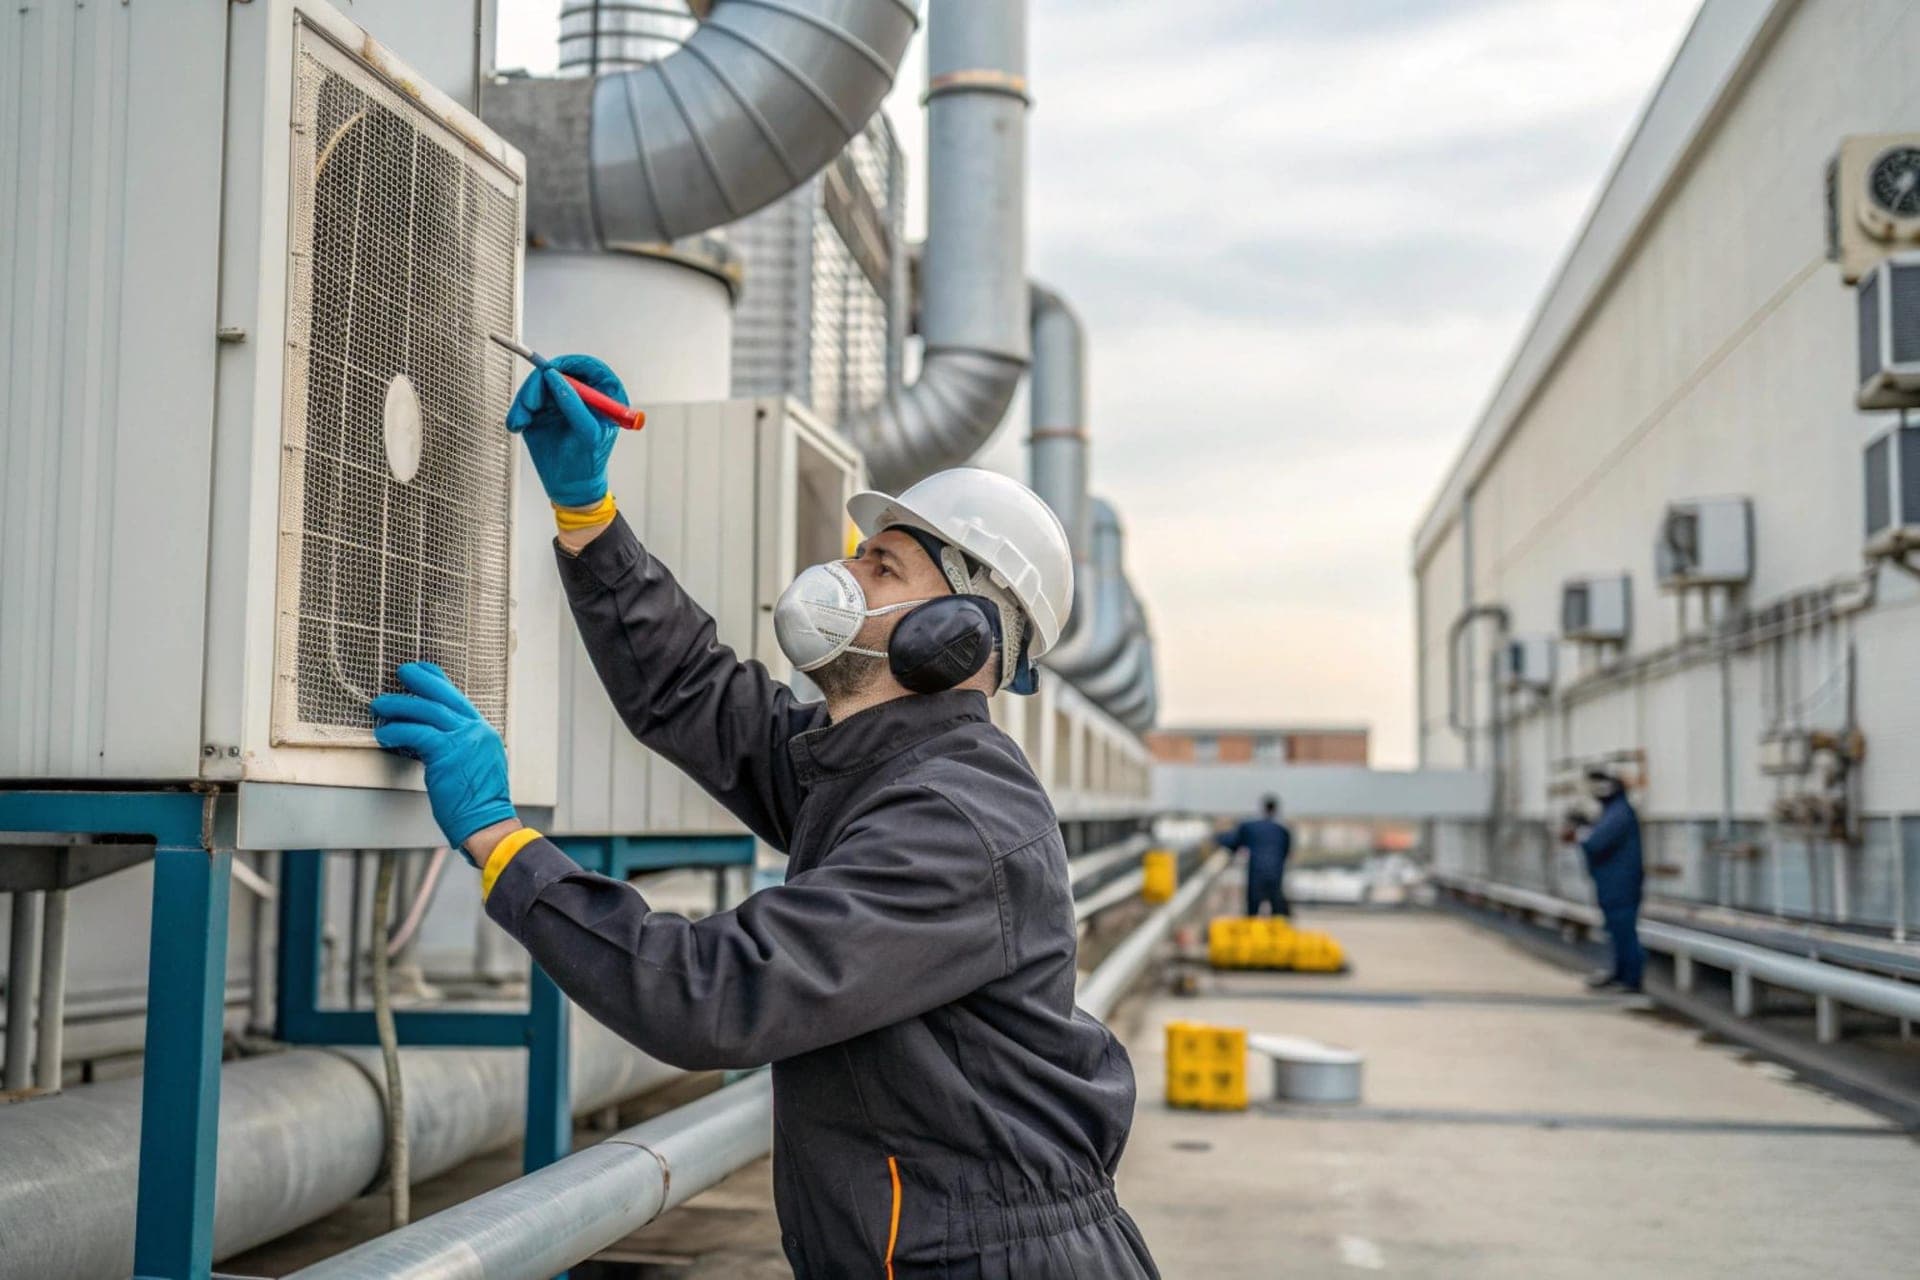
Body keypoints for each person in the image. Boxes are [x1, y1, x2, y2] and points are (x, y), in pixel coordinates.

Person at [368, 354, 1161, 1279]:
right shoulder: (876, 767)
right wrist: (588, 516)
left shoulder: (953, 824)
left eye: (881, 565)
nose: (840, 573)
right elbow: (692, 692)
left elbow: (713, 995)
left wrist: (503, 844)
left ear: (957, 636)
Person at [1560, 769, 1645, 993]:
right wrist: (1586, 824)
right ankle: (1619, 974)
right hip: (1612, 884)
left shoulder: (1619, 813)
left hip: (1621, 885)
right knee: (1615, 931)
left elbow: (1596, 842)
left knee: (1624, 931)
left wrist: (1580, 830)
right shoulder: (1612, 812)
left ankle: (1630, 979)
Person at [1217, 795, 1293, 918]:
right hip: (1276, 874)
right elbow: (1286, 853)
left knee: (1253, 910)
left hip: (1256, 873)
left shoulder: (1251, 827)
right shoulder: (1282, 830)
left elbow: (1232, 842)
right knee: (1277, 911)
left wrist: (1216, 839)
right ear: (1275, 810)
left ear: (1263, 808)